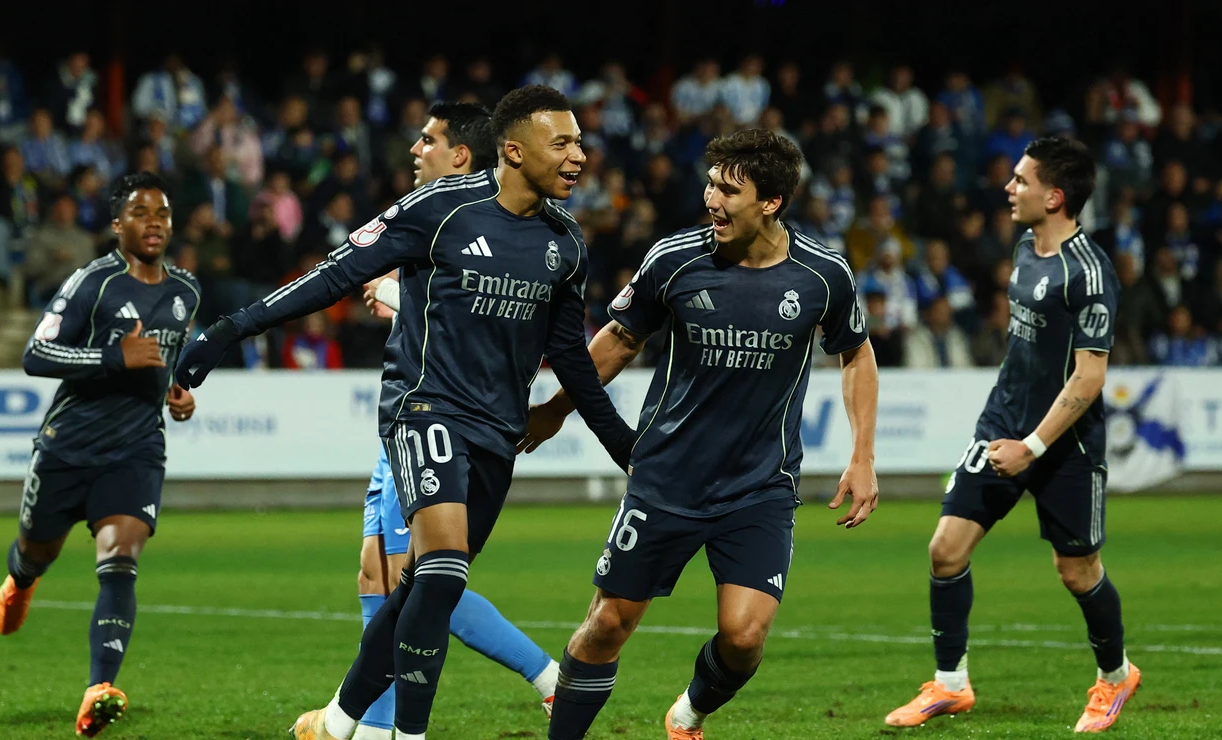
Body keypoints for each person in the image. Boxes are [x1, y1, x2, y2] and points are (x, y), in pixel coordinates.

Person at [174, 85, 635, 740]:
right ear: (511, 149)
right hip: (426, 411)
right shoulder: (438, 210)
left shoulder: (566, 242)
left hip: (497, 434)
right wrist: (226, 332)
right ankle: (407, 735)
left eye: (580, 142)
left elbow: (570, 357)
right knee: (442, 570)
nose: (580, 155)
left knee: (417, 587)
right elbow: (333, 275)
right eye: (562, 142)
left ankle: (337, 722)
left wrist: (628, 450)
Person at [519, 129, 881, 740]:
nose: (711, 198)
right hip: (666, 478)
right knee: (608, 623)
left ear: (770, 202)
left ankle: (688, 714)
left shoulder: (823, 274)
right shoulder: (674, 259)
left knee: (744, 638)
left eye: (728, 189)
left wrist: (863, 456)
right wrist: (557, 407)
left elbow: (856, 355)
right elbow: (619, 340)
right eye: (710, 183)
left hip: (759, 485)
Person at [884, 137, 1137, 733]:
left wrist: (1035, 448)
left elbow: (1090, 375)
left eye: (1021, 180)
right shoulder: (1025, 246)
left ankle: (1115, 676)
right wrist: (1010, 427)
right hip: (1002, 426)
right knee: (945, 550)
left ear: (1054, 196)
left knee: (1077, 571)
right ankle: (950, 685)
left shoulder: (1091, 273)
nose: (1009, 187)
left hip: (1064, 445)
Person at [349, 101, 560, 740]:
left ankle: (545, 679)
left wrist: (388, 292)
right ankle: (375, 721)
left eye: (428, 140)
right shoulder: (433, 218)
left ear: (461, 155)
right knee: (380, 571)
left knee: (416, 577)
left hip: (433, 416)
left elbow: (492, 324)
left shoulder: (479, 222)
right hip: (407, 416)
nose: (415, 150)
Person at [0, 172, 201, 738]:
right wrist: (114, 357)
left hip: (135, 448)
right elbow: (37, 354)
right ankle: (22, 578)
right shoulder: (93, 283)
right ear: (117, 225)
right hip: (69, 447)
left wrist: (176, 391)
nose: (154, 221)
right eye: (140, 212)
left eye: (162, 212)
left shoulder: (186, 291)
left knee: (121, 558)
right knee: (37, 552)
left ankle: (98, 689)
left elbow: (165, 361)